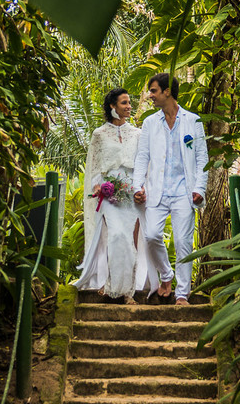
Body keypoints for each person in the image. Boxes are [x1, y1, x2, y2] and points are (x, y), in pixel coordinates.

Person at [74, 88, 156, 302]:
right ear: (112, 106)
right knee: (116, 237)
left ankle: (125, 291)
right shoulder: (99, 135)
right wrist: (97, 186)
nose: (129, 106)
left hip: (133, 193)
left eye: (130, 102)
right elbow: (93, 166)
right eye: (124, 103)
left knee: (131, 240)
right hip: (110, 193)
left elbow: (145, 164)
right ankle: (111, 284)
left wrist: (143, 189)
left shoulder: (138, 134)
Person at [133, 73, 208, 305]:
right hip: (157, 191)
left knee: (184, 242)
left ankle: (183, 293)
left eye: (153, 90)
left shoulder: (193, 121)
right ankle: (167, 275)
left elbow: (201, 158)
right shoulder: (149, 123)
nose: (150, 96)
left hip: (184, 193)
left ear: (167, 92)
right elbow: (142, 157)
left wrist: (199, 188)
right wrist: (138, 185)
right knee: (152, 235)